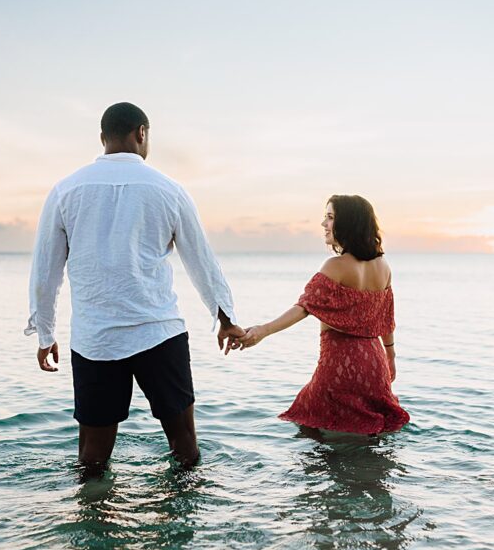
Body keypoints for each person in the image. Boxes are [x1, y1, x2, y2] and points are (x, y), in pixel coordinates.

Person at [25, 102, 245, 473]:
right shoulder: (169, 189)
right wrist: (224, 317)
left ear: (102, 138)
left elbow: (45, 269)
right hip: (159, 333)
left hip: (96, 340)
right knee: (185, 449)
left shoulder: (65, 190)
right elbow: (201, 261)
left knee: (92, 458)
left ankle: (94, 521)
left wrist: (45, 333)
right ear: (141, 133)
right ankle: (178, 526)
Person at [237, 195, 409, 435]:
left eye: (330, 218)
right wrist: (390, 355)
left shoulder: (335, 266)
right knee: (369, 433)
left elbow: (304, 307)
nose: (323, 224)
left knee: (311, 428)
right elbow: (386, 318)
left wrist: (263, 330)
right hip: (375, 364)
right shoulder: (383, 267)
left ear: (347, 223)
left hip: (339, 364)